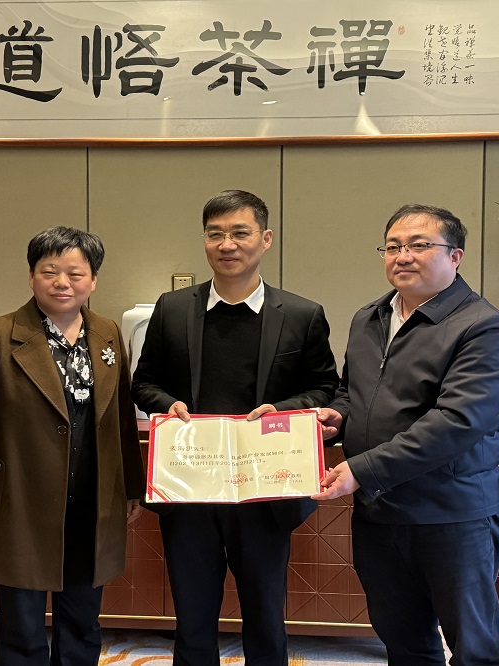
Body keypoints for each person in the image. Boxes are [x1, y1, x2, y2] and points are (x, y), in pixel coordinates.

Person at [132, 189, 339, 666]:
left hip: (266, 490)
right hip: (190, 487)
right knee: (192, 616)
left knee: (265, 616)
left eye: (240, 233)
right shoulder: (172, 308)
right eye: (215, 234)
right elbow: (143, 383)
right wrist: (168, 405)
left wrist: (281, 410)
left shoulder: (302, 314)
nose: (227, 244)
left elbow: (326, 388)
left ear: (265, 239)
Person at [312, 204, 499, 666]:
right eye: (393, 246)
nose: (403, 256)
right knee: (404, 644)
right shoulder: (369, 318)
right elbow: (351, 391)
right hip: (379, 512)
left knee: (475, 650)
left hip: (452, 515)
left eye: (420, 245)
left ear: (455, 256)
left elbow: (456, 422)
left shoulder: (483, 326)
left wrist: (361, 470)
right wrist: (337, 417)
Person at [0, 226, 145, 666]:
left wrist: (130, 487)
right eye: (49, 271)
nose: (63, 283)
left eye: (76, 274)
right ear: (31, 276)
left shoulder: (107, 333)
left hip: (90, 504)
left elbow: (120, 416)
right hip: (20, 505)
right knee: (21, 627)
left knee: (82, 622)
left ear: (93, 280)